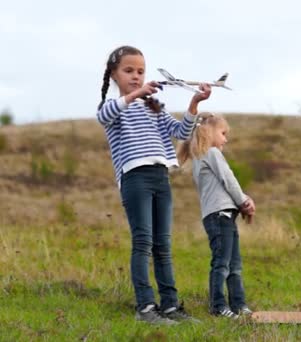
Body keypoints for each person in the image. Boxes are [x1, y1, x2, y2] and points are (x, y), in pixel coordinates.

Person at [96, 45, 212, 324]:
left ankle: (170, 307)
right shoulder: (113, 107)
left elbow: (181, 132)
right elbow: (103, 116)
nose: (135, 76)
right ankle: (146, 308)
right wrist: (136, 94)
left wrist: (194, 104)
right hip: (135, 178)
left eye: (140, 71)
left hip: (161, 176)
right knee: (143, 242)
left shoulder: (153, 106)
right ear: (114, 75)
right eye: (128, 71)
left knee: (163, 244)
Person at [177, 113, 255, 319]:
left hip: (223, 216)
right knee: (222, 263)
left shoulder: (201, 157)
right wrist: (244, 202)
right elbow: (228, 180)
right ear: (208, 132)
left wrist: (242, 201)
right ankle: (218, 306)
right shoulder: (212, 153)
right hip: (220, 216)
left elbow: (224, 184)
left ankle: (239, 305)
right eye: (223, 133)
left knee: (233, 264)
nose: (226, 139)